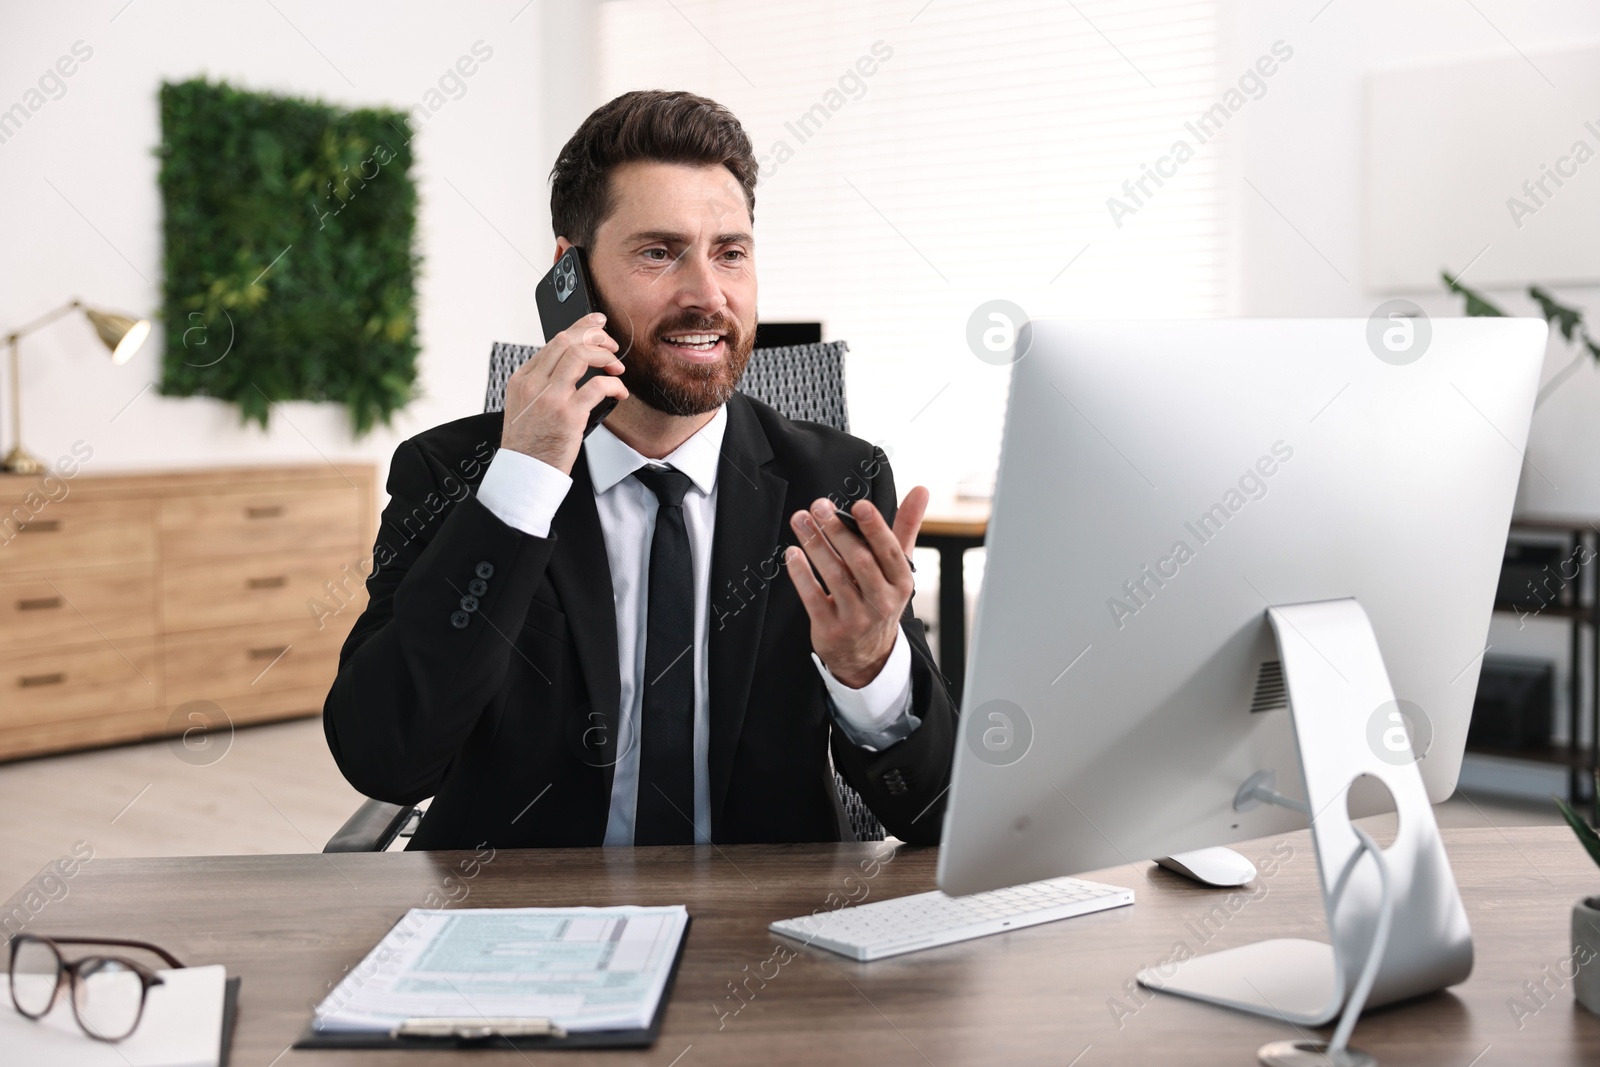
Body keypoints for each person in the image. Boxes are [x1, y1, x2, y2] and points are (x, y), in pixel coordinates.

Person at [323, 89, 957, 849]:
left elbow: (937, 814)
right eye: (659, 252)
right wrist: (521, 484)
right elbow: (386, 757)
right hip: (513, 932)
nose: (706, 295)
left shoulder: (838, 484)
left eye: (730, 252)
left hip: (765, 939)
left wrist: (868, 671)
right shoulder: (455, 473)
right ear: (572, 277)